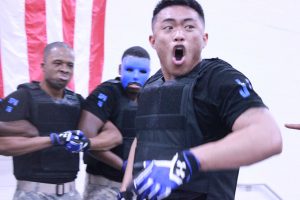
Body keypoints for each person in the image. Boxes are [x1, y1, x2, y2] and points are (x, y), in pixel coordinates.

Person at [119, 1, 283, 199]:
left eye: (189, 27)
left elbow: (267, 135)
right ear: (153, 40)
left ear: (204, 39)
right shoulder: (150, 86)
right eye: (168, 27)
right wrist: (125, 190)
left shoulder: (219, 79)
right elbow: (141, 138)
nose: (179, 34)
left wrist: (185, 163)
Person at [0, 41, 121, 200]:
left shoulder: (77, 102)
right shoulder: (23, 97)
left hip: (70, 193)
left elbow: (114, 135)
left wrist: (87, 143)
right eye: (57, 63)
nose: (64, 69)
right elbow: (3, 145)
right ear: (43, 66)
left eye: (69, 65)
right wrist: (53, 140)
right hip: (32, 193)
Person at [78, 46, 151, 199]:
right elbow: (85, 139)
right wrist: (123, 166)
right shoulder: (107, 93)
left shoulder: (151, 97)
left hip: (137, 186)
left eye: (143, 72)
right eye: (130, 70)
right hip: (104, 185)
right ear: (120, 69)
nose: (136, 77)